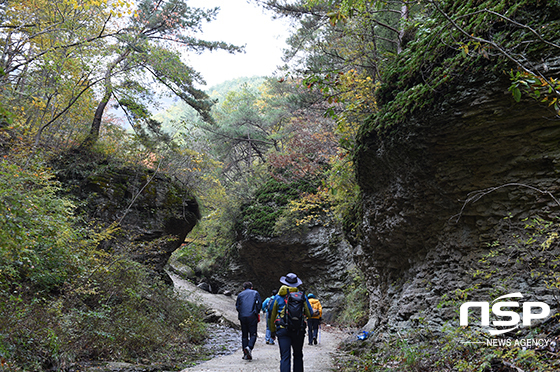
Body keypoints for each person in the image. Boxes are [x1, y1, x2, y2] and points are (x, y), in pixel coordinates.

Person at [269, 273, 313, 372]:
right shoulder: (302, 296)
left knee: (285, 357)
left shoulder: (278, 297)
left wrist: (272, 330)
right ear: (296, 284)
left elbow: (272, 315)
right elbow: (309, 314)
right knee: (297, 355)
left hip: (283, 329)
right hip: (298, 329)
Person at [235, 281, 262, 360]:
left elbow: (237, 306)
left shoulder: (240, 294)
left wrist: (242, 312)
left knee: (244, 336)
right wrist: (256, 312)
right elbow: (259, 304)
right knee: (253, 334)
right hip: (252, 316)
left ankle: (245, 354)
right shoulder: (255, 293)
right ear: (251, 287)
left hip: (242, 316)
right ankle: (249, 348)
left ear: (243, 288)